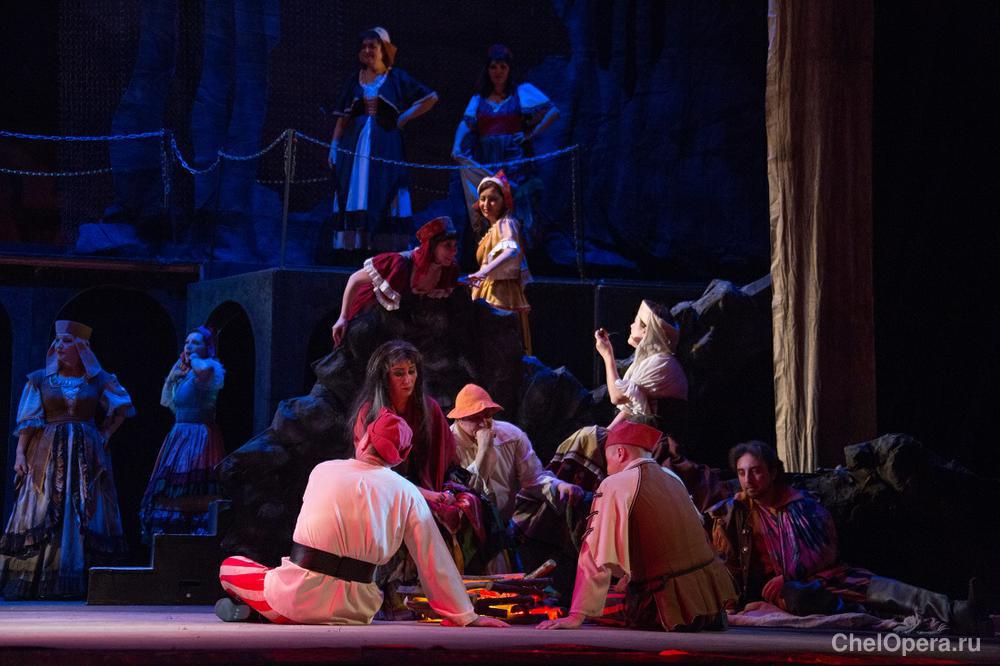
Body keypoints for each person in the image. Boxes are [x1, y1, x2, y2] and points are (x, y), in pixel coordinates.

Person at [215, 408, 509, 627]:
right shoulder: (408, 493)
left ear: (365, 439)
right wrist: (466, 615)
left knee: (231, 566)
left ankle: (256, 611)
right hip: (356, 610)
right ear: (401, 455)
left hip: (297, 598)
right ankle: (258, 611)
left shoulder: (324, 470)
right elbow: (434, 559)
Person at [709, 441, 987, 634]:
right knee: (799, 596)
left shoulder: (801, 505)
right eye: (742, 473)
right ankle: (873, 613)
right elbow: (726, 561)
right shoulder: (736, 513)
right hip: (786, 594)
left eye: (756, 471)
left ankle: (958, 611)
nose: (748, 480)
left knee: (885, 589)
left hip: (826, 577)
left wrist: (789, 574)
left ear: (772, 472)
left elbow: (824, 552)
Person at [536, 420, 735, 632]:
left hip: (665, 608)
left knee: (601, 603)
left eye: (607, 459)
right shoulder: (672, 477)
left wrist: (577, 614)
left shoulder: (615, 483)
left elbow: (594, 552)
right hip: (711, 602)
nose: (607, 468)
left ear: (620, 453)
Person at [0, 320, 135, 599]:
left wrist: (105, 433)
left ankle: (80, 574)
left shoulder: (98, 379)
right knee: (44, 504)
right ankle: (39, 575)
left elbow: (122, 406)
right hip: (48, 452)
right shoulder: (40, 379)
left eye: (66, 341)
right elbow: (28, 422)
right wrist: (20, 453)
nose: (59, 346)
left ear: (81, 347)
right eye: (57, 341)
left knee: (86, 505)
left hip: (88, 454)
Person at [447, 383, 582, 571]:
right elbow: (467, 492)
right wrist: (484, 450)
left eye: (487, 416)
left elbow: (533, 477)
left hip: (501, 529)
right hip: (465, 535)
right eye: (475, 418)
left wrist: (558, 486)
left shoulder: (511, 435)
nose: (483, 424)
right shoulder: (448, 443)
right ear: (460, 419)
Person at [329, 26, 438, 253]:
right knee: (356, 188)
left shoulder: (396, 77)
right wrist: (334, 145)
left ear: (384, 50)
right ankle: (356, 244)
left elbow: (431, 97)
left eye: (373, 46)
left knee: (386, 185)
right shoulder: (355, 79)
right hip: (355, 145)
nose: (367, 50)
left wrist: (404, 117)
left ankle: (383, 245)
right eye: (364, 46)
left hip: (386, 143)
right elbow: (343, 118)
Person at [452, 44, 559, 246]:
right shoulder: (479, 99)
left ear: (509, 69)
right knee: (488, 203)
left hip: (513, 160)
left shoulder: (520, 93)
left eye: (503, 67)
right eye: (493, 67)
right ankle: (490, 250)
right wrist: (457, 146)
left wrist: (531, 133)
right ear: (487, 70)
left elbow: (553, 112)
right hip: (487, 159)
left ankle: (517, 251)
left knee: (514, 203)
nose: (498, 72)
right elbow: (466, 124)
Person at [139, 326, 225, 541]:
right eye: (187, 342)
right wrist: (173, 376)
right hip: (179, 434)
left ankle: (193, 538)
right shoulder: (185, 374)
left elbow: (202, 370)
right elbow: (167, 401)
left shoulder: (210, 368)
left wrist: (193, 358)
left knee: (194, 486)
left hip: (199, 436)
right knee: (169, 488)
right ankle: (169, 540)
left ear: (207, 348)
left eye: (196, 343)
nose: (189, 346)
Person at [330, 216, 459, 347]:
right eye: (447, 245)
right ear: (432, 246)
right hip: (376, 321)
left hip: (403, 324)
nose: (454, 251)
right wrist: (343, 317)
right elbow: (355, 279)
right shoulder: (399, 264)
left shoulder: (448, 269)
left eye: (455, 245)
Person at [467, 172, 533, 353]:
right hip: (490, 289)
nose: (486, 204)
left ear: (504, 201)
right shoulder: (494, 227)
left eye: (493, 199)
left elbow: (512, 250)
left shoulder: (506, 223)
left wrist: (483, 272)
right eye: (483, 199)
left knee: (498, 345)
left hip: (501, 292)